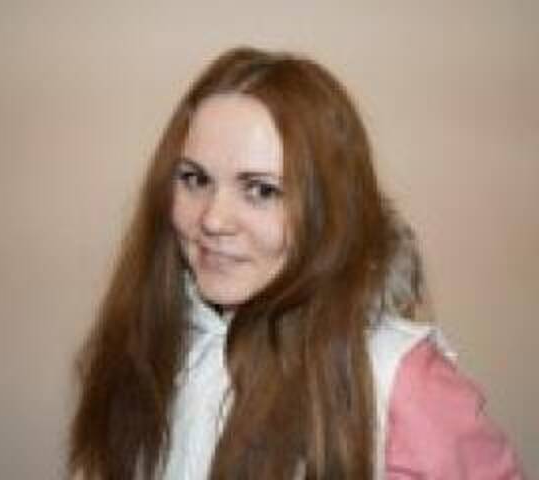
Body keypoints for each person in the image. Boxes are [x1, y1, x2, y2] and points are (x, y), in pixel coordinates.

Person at [68, 47, 524, 479]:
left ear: (329, 211)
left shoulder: (399, 382)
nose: (212, 219)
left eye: (261, 190)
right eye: (195, 179)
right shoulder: (152, 340)